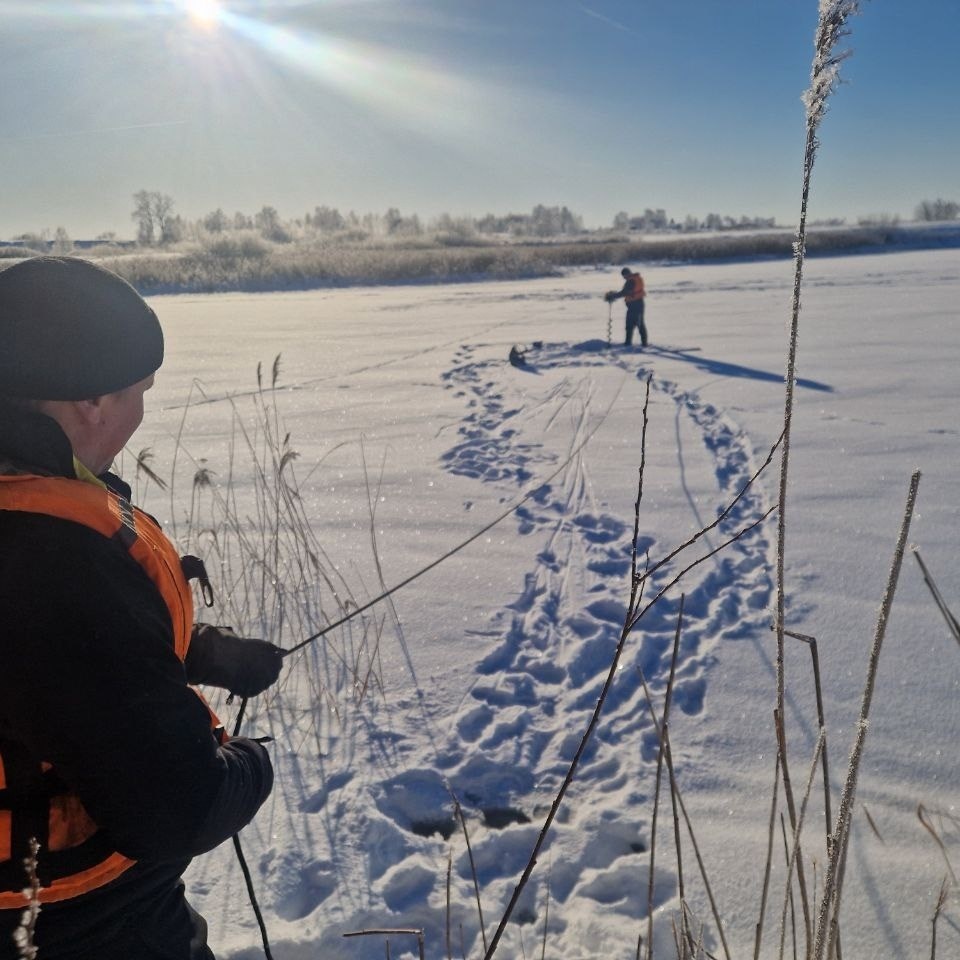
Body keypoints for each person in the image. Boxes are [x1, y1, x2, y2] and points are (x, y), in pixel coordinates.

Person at [0, 256, 283, 959]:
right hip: (72, 923)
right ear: (92, 400)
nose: (140, 411)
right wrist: (250, 765)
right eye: (139, 390)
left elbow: (42, 661)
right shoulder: (52, 555)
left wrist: (208, 652)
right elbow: (173, 810)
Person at [604, 266, 647, 347]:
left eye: (624, 276)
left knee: (635, 324)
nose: (624, 278)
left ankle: (632, 344)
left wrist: (613, 296)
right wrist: (615, 295)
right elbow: (626, 292)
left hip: (635, 305)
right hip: (637, 304)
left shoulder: (631, 281)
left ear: (627, 274)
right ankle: (638, 343)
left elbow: (625, 292)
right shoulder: (635, 279)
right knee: (636, 324)